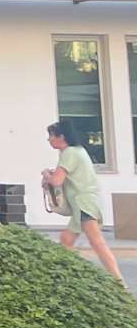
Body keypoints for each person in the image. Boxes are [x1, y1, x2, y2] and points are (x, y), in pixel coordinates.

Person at [44, 120, 123, 282]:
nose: (49, 139)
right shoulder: (77, 151)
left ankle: (119, 281)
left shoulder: (69, 153)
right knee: (67, 239)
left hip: (83, 204)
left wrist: (46, 175)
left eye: (51, 136)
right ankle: (65, 277)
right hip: (85, 203)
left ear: (61, 137)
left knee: (97, 242)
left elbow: (57, 181)